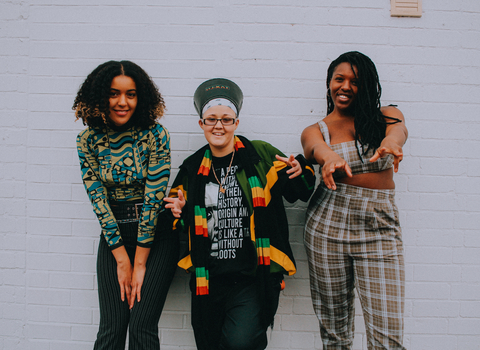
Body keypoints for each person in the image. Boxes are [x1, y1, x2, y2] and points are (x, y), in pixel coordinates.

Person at [164, 78, 316, 350]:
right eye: (211, 119)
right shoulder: (192, 168)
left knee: (240, 343)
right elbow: (172, 217)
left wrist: (299, 170)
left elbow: (301, 190)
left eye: (226, 119)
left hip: (253, 278)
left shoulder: (260, 155)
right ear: (202, 124)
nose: (219, 126)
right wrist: (177, 212)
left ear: (236, 122)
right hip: (207, 278)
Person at [301, 51, 408, 350]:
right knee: (335, 334)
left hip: (379, 229)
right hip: (327, 226)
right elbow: (314, 148)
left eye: (355, 81)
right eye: (339, 79)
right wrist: (329, 157)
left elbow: (398, 131)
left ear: (369, 86)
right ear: (329, 83)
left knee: (388, 338)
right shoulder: (316, 130)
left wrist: (391, 142)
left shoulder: (388, 116)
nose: (345, 86)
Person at [74, 60, 178, 350]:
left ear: (140, 96)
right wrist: (122, 260)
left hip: (157, 237)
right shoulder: (87, 140)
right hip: (113, 237)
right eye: (114, 93)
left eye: (130, 94)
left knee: (142, 326)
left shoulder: (156, 135)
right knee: (111, 329)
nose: (123, 102)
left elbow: (153, 197)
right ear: (99, 96)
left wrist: (140, 263)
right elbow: (98, 200)